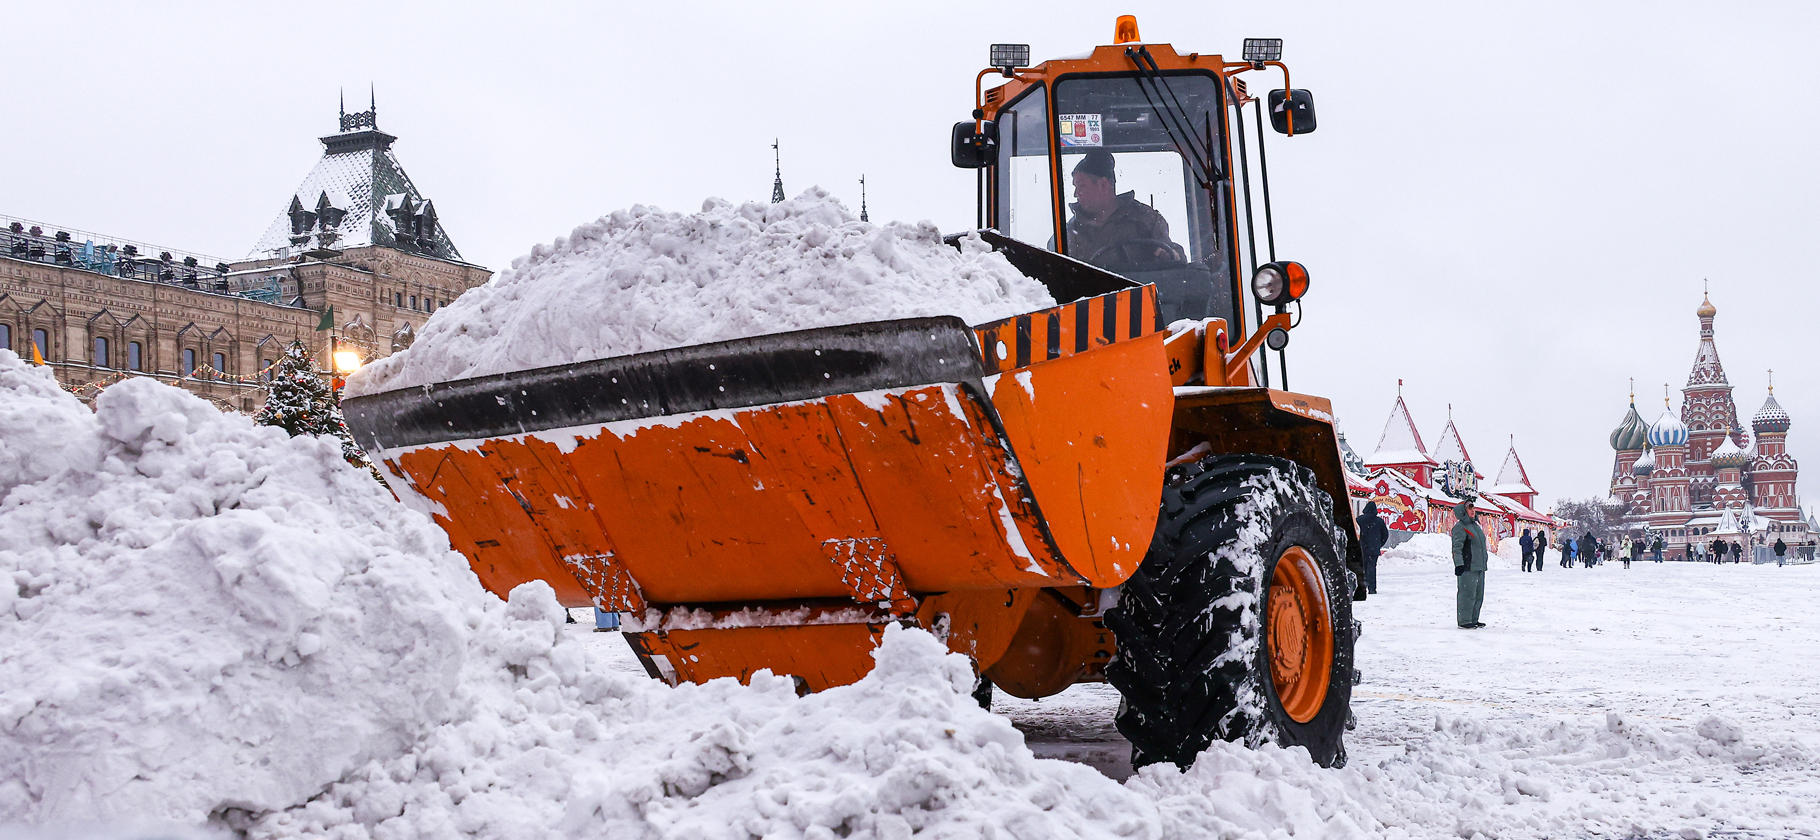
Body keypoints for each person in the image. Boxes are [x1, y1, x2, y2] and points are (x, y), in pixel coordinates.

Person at [1065, 149, 1183, 270]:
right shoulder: (1070, 231)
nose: (1076, 194)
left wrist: (1171, 255)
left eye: (1082, 186)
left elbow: (1174, 258)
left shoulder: (1145, 220)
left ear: (1103, 185)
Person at [1451, 501, 1488, 628]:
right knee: (1467, 595)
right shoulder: (1460, 527)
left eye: (1473, 508)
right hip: (1467, 567)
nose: (1473, 511)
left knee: (1478, 595)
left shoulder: (1476, 526)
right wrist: (1459, 564)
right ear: (1463, 511)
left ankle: (1473, 619)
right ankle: (1464, 620)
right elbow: (1457, 547)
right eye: (1469, 509)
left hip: (1479, 567)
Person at [1356, 501, 1389, 595]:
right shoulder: (1379, 521)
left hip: (1362, 548)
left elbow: (1354, 532)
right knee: (1372, 568)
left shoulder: (1359, 520)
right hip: (1373, 549)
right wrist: (1378, 544)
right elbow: (1385, 535)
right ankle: (1372, 588)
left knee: (1361, 568)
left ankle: (1362, 587)